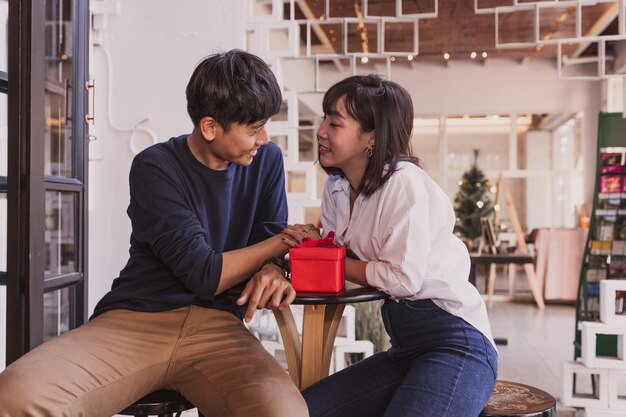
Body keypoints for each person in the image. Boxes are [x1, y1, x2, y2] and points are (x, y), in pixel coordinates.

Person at [0, 49, 309, 417]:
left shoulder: (266, 161)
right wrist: (282, 241)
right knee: (18, 396)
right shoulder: (155, 167)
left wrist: (274, 265)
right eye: (253, 129)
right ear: (210, 127)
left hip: (220, 329)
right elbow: (204, 274)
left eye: (265, 125)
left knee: (283, 413)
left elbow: (267, 240)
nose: (263, 139)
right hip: (138, 319)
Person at [282, 74, 498, 417]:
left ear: (372, 136)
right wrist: (312, 245)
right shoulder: (337, 188)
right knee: (301, 411)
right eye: (324, 119)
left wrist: (329, 257)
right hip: (405, 348)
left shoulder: (403, 183)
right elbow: (344, 258)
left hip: (456, 344)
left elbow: (402, 279)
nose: (321, 130)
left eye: (334, 123)